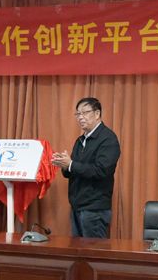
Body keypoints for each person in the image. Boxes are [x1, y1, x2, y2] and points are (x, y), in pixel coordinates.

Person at [51, 97, 121, 238]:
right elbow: (72, 171)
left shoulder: (108, 138)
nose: (80, 117)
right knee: (77, 250)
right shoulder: (80, 140)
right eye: (78, 114)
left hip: (95, 209)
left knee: (93, 250)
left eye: (85, 112)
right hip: (77, 206)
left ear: (97, 114)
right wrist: (64, 165)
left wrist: (71, 164)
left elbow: (101, 170)